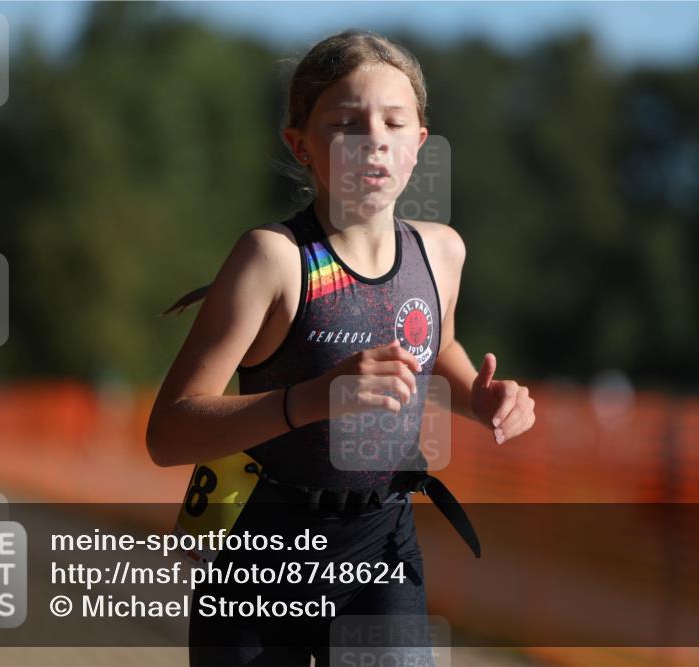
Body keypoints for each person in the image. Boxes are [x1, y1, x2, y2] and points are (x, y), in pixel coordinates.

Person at [147, 28, 536, 667]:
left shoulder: (441, 253)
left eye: (393, 121)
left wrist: (479, 396)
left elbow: (431, 346)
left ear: (419, 143)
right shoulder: (273, 260)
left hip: (380, 545)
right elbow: (168, 431)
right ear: (300, 145)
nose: (373, 138)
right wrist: (312, 400)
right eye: (346, 123)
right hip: (262, 554)